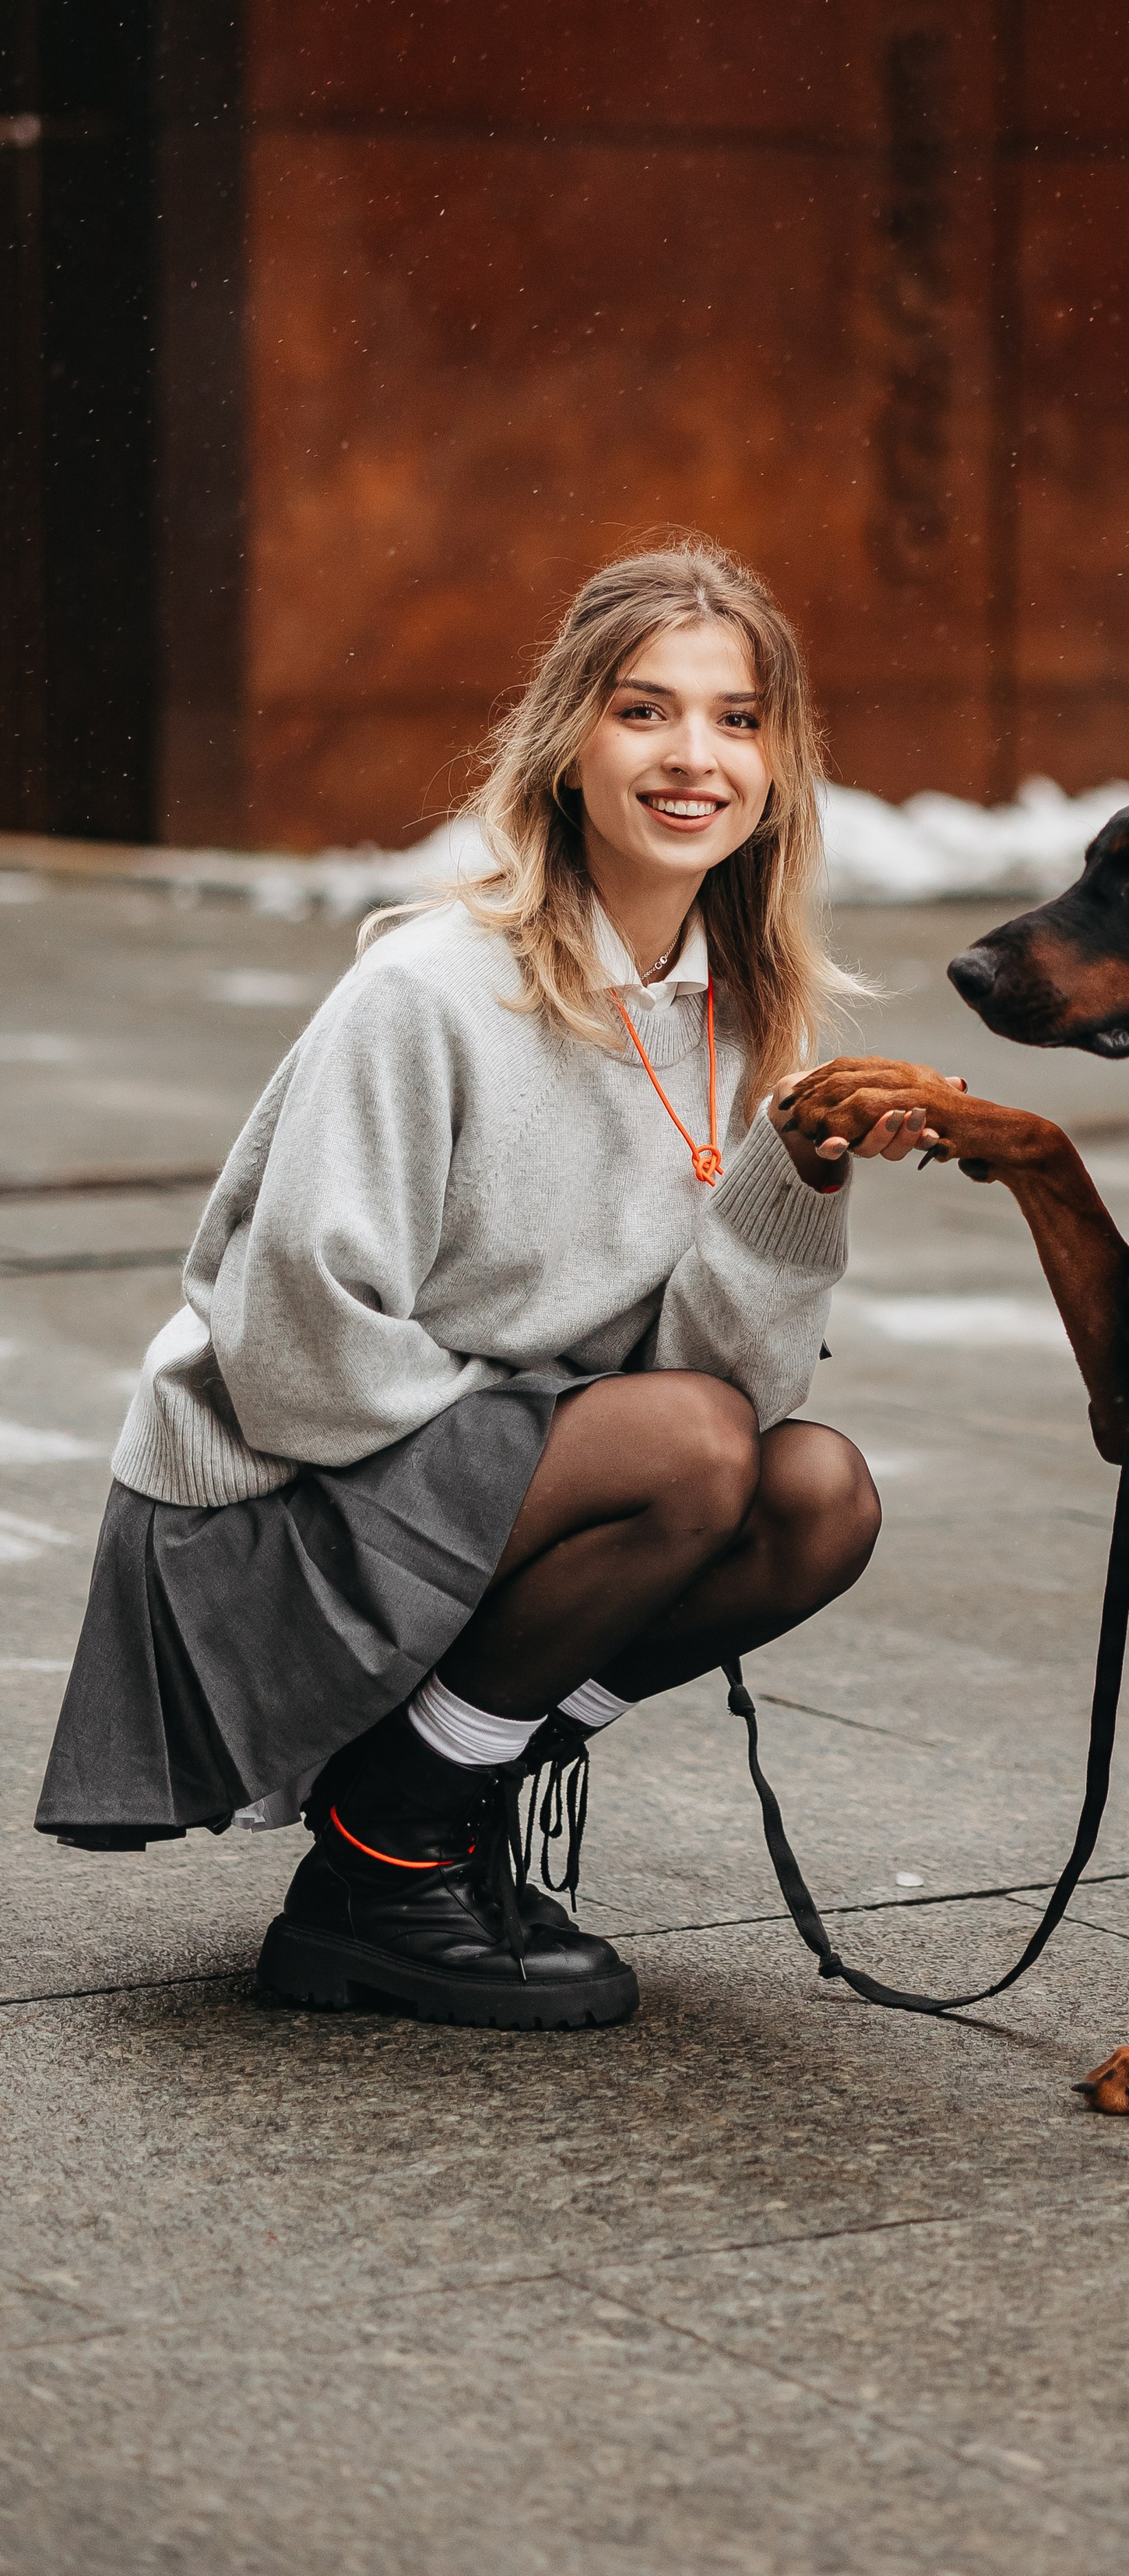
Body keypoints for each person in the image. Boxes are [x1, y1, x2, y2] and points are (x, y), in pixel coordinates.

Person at [37, 537, 946, 2028]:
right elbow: (291, 1342)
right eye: (644, 711)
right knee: (693, 1453)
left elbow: (737, 1388)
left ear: (780, 765)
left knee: (814, 1494)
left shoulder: (749, 1020)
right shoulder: (434, 987)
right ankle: (388, 1861)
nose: (693, 758)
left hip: (487, 1483)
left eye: (737, 718)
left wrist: (797, 1181)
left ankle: (432, 1799)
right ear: (567, 743)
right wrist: (531, 1440)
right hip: (280, 1499)